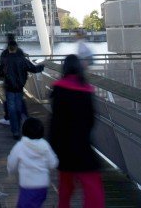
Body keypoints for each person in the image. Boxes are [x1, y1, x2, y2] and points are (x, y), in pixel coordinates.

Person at [49, 54, 104, 208]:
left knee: (66, 187)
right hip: (83, 145)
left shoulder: (59, 88)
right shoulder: (87, 90)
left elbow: (56, 121)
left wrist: (54, 145)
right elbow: (92, 119)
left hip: (64, 146)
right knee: (92, 186)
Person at [0, 36, 44, 139]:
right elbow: (33, 68)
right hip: (19, 88)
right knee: (18, 109)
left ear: (9, 48)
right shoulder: (22, 59)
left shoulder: (4, 59)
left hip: (9, 87)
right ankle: (18, 128)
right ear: (16, 47)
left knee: (12, 110)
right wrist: (42, 66)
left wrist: (1, 77)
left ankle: (15, 131)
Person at [7, 117, 59, 208]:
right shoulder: (45, 145)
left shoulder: (20, 146)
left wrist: (10, 170)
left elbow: (12, 161)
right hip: (42, 185)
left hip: (27, 185)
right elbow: (53, 163)